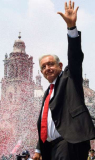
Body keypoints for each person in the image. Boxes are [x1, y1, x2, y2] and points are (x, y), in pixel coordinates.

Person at [33, 1, 95, 160]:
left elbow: (75, 57)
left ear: (60, 66)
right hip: (51, 147)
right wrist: (39, 150)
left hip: (70, 142)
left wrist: (71, 28)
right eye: (44, 66)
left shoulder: (69, 78)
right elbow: (43, 122)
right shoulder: (48, 93)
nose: (47, 68)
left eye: (51, 64)